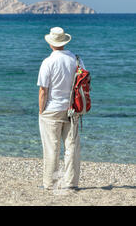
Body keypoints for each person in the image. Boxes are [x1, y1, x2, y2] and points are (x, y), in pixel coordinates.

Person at [37, 27, 84, 191]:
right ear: (64, 42)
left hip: (52, 108)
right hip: (72, 108)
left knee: (52, 147)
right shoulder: (76, 60)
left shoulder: (48, 62)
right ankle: (71, 183)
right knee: (71, 147)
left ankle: (50, 183)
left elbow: (43, 90)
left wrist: (41, 111)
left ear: (51, 43)